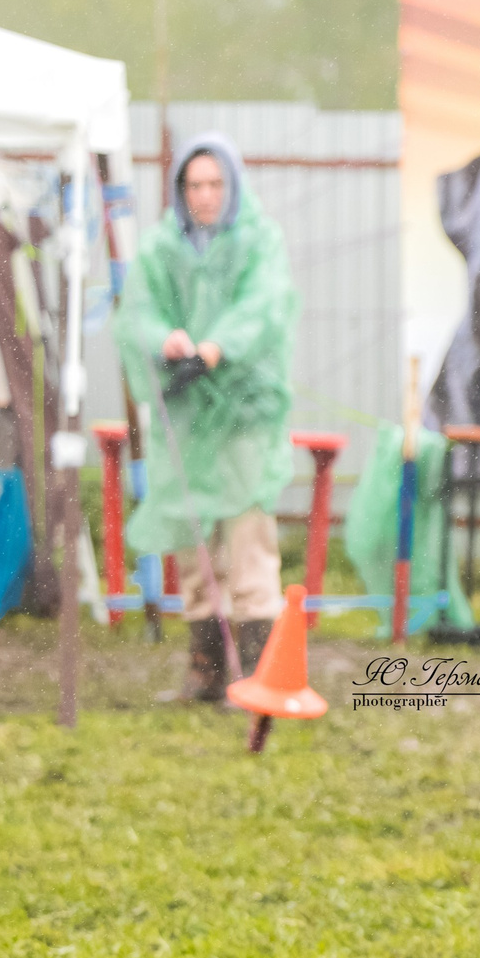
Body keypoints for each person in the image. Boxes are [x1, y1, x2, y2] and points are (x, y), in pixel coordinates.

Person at [116, 135, 298, 701]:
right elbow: (138, 311)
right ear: (180, 190)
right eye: (194, 184)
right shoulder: (160, 248)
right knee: (193, 540)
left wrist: (218, 347)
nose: (205, 195)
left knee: (246, 536)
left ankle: (256, 673)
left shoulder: (260, 241)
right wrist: (166, 339)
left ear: (233, 185)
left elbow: (263, 306)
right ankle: (206, 670)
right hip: (188, 412)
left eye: (215, 183)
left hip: (244, 408)